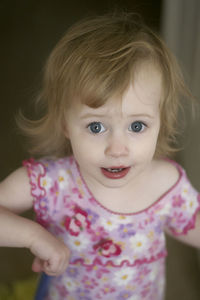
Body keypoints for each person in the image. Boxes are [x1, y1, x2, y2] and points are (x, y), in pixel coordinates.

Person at [0, 12, 200, 300]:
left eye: (137, 126)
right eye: (96, 126)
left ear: (160, 123)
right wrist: (34, 237)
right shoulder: (53, 182)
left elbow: (193, 223)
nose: (117, 149)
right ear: (66, 125)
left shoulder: (166, 184)